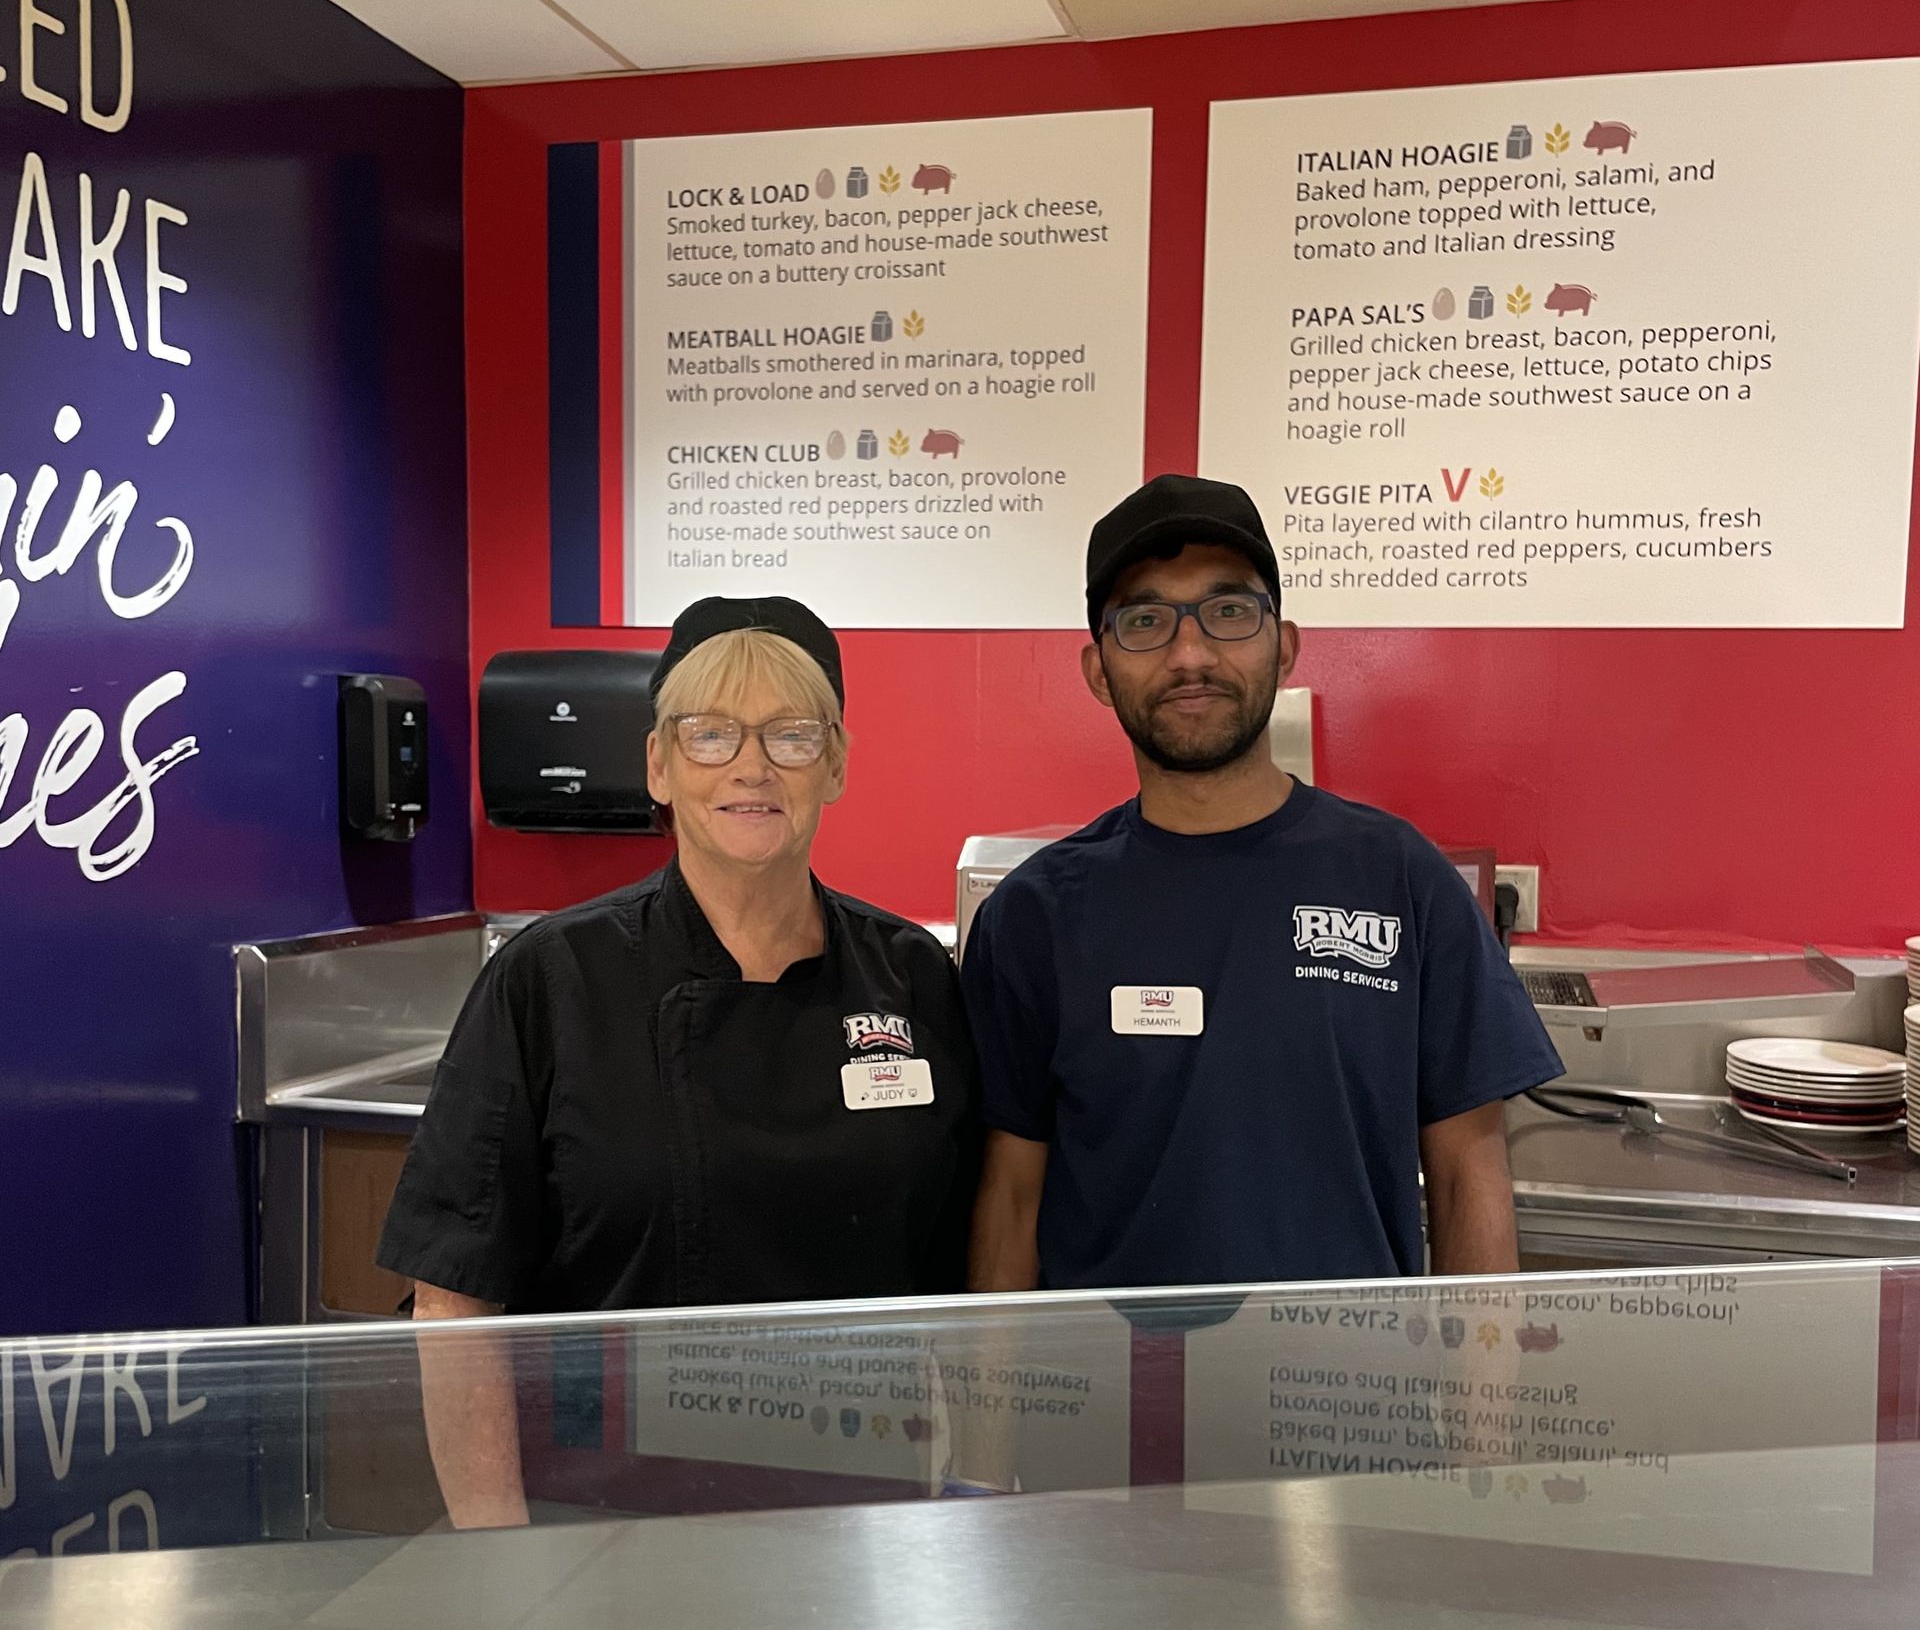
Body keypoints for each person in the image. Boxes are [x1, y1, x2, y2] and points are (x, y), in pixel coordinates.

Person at [379, 596, 980, 1525]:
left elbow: (965, 1280)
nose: (751, 766)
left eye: (791, 734)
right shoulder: (550, 981)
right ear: (658, 765)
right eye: (709, 736)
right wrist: (495, 1556)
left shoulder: (912, 979)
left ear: (837, 764)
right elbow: (454, 1300)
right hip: (604, 1514)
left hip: (864, 1506)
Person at [962, 475, 1563, 1293]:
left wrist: (1484, 1412)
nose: (1190, 654)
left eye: (1229, 611)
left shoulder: (1400, 879)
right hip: (1117, 1402)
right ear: (1098, 671)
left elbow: (1468, 1171)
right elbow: (1012, 1194)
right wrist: (1001, 1419)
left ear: (1282, 646)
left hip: (1351, 1398)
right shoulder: (1033, 915)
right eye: (1144, 621)